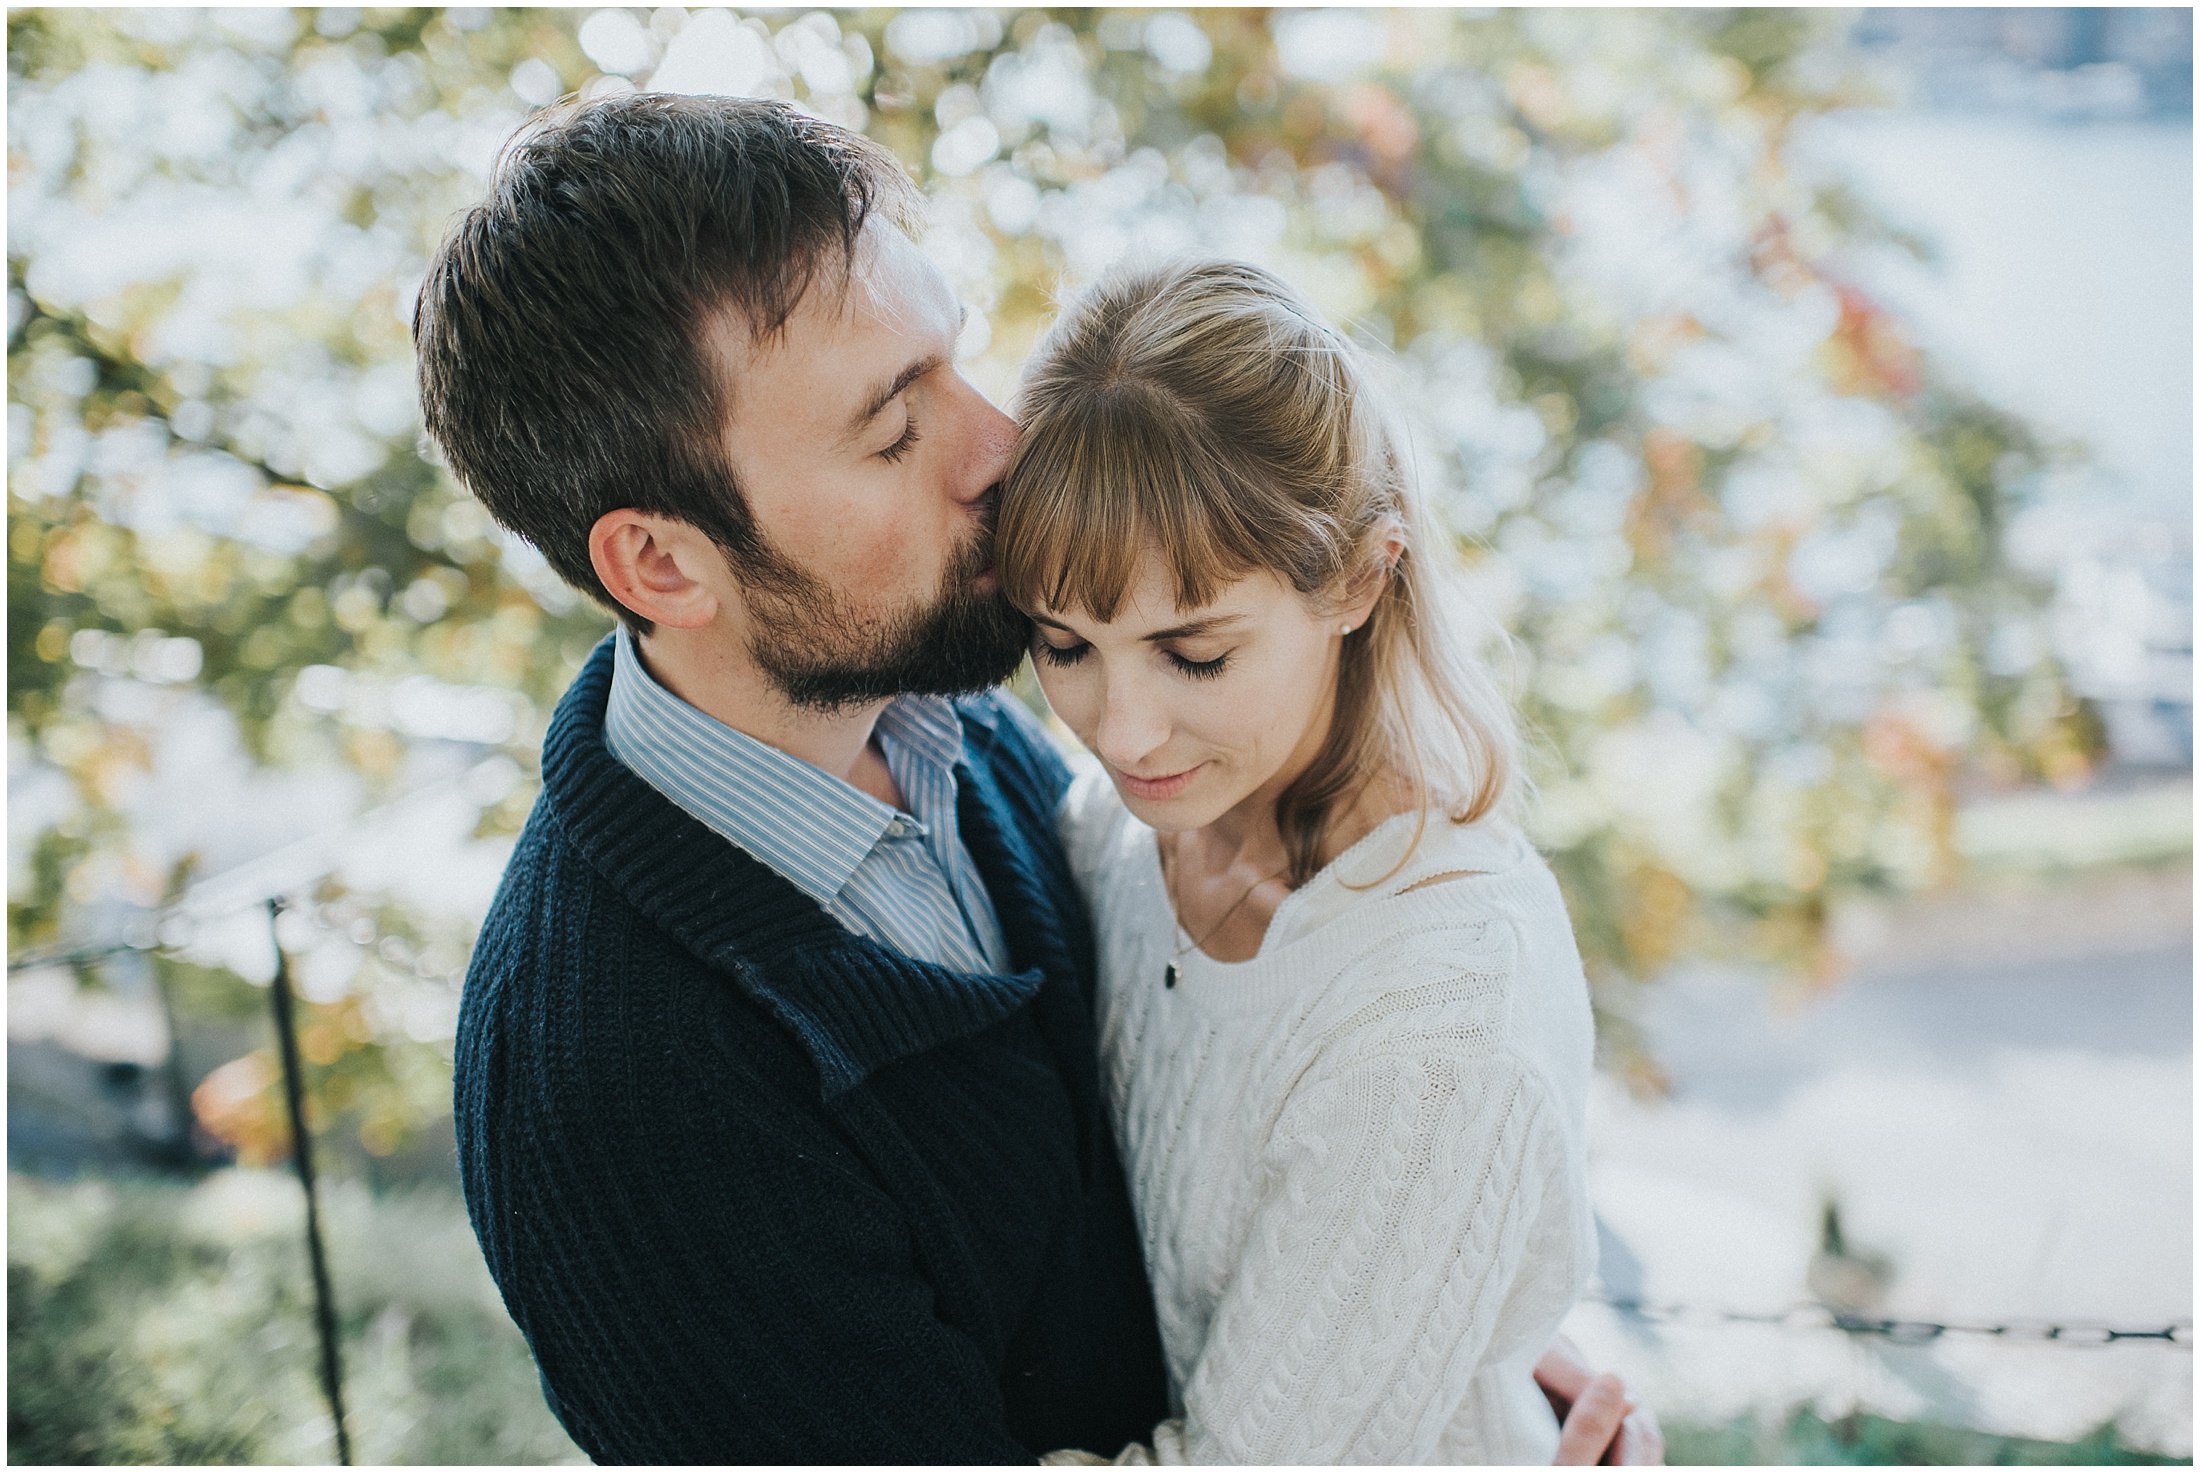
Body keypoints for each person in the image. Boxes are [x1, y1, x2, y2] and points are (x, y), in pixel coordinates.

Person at [413, 92, 1653, 1464]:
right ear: (661, 565)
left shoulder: (959, 733)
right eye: (894, 431)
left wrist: (1438, 1324)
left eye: (953, 359)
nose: (999, 444)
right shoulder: (613, 1090)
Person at [998, 259, 1621, 1463]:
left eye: (1195, 653)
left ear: (1357, 578)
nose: (1119, 732)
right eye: (1063, 644)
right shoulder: (1125, 822)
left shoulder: (1436, 1022)